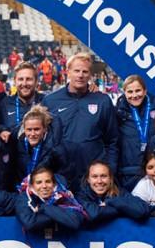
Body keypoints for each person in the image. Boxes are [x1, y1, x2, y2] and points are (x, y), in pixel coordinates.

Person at [43, 53, 118, 190]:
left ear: (90, 75)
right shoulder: (50, 101)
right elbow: (44, 138)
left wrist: (110, 169)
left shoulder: (102, 101)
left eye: (85, 71)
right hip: (61, 173)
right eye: (76, 71)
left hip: (94, 177)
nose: (80, 75)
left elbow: (112, 140)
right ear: (67, 72)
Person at [116, 75, 155, 191]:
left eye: (138, 90)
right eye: (130, 92)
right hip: (130, 174)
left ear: (145, 90)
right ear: (124, 92)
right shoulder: (118, 112)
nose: (134, 95)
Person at [76, 161, 149, 225]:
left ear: (110, 178)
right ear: (88, 179)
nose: (99, 181)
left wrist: (112, 202)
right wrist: (124, 210)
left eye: (103, 176)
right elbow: (94, 215)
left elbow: (141, 210)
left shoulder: (119, 192)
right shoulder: (81, 196)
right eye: (94, 177)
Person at [15, 167, 86, 232]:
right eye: (39, 182)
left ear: (54, 184)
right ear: (32, 186)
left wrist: (44, 208)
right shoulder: (24, 197)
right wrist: (60, 216)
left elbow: (74, 222)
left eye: (48, 181)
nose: (44, 186)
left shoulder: (64, 195)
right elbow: (30, 223)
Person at [13, 105, 67, 186]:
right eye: (29, 130)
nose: (32, 134)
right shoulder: (17, 144)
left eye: (36, 129)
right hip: (23, 190)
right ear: (24, 129)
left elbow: (64, 176)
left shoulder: (57, 148)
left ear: (45, 129)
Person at [0, 62, 44, 140]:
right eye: (20, 79)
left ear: (36, 81)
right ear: (15, 82)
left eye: (29, 79)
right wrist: (1, 131)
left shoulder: (46, 102)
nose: (24, 83)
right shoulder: (4, 104)